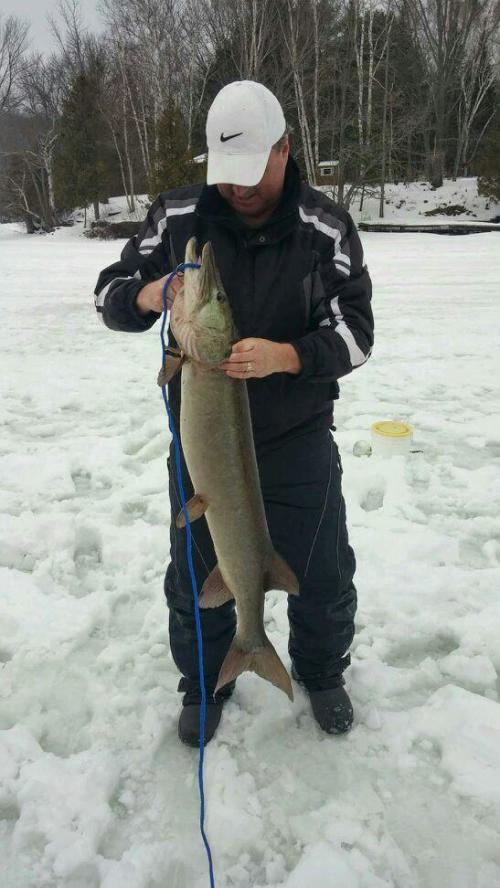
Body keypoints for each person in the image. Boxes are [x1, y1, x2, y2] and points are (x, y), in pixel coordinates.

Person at [94, 80, 374, 747]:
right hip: (205, 446)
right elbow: (109, 293)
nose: (238, 189)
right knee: (195, 570)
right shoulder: (180, 215)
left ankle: (319, 671)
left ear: (284, 149)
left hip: (297, 434)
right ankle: (204, 680)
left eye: (251, 172)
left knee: (322, 567)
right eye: (227, 175)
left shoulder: (324, 226)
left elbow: (357, 333)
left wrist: (288, 356)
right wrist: (151, 294)